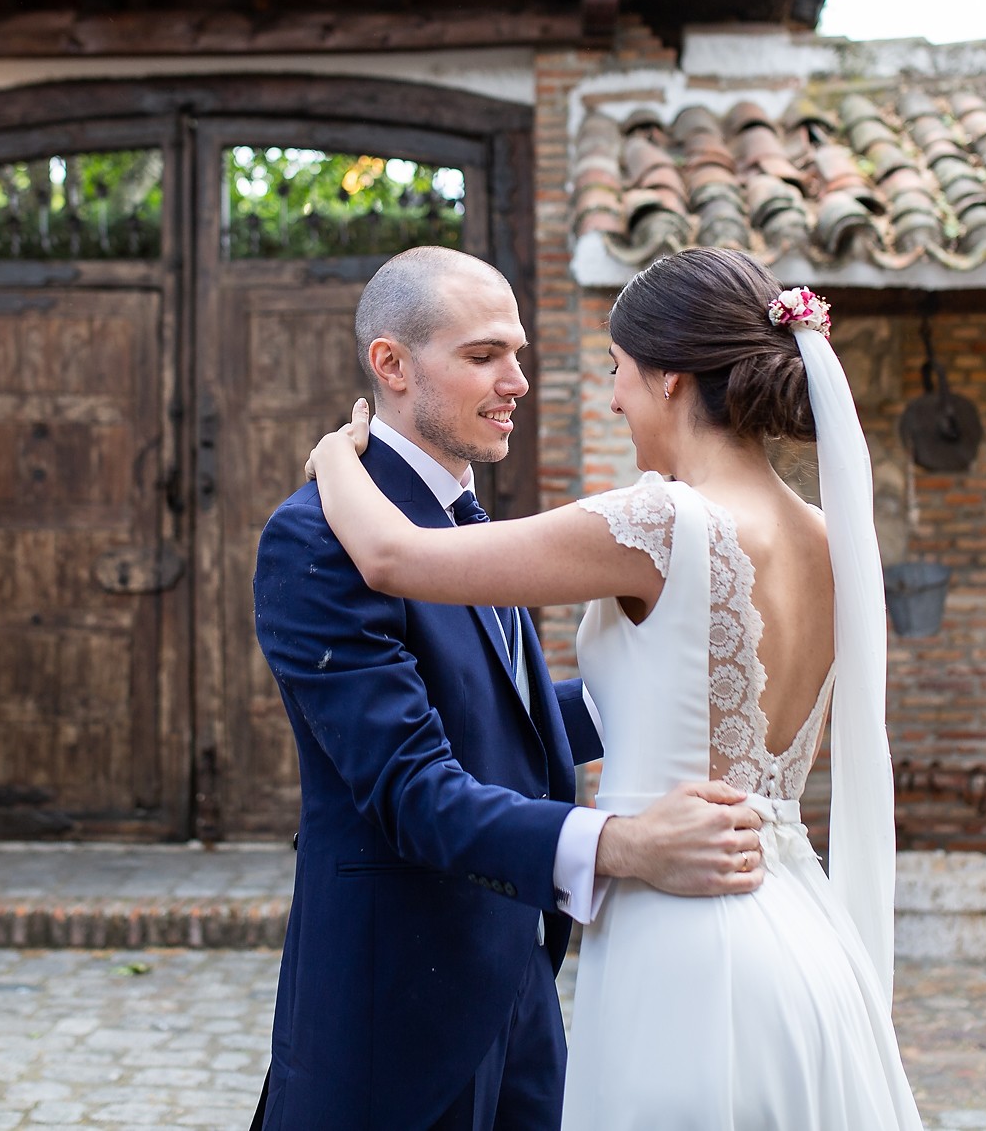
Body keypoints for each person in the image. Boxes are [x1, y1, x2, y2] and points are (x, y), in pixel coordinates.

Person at [307, 246, 924, 1129]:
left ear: (671, 378)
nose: (611, 397)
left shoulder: (660, 518)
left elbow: (393, 556)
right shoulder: (832, 539)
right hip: (801, 928)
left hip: (686, 939)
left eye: (618, 372)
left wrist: (335, 458)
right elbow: (651, 702)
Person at [251, 247, 770, 1131]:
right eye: (485, 355)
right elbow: (412, 791)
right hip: (393, 1022)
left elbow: (508, 724)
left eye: (519, 354)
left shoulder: (470, 522)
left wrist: (667, 689)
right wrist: (624, 844)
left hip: (523, 995)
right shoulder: (316, 540)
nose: (518, 381)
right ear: (392, 366)